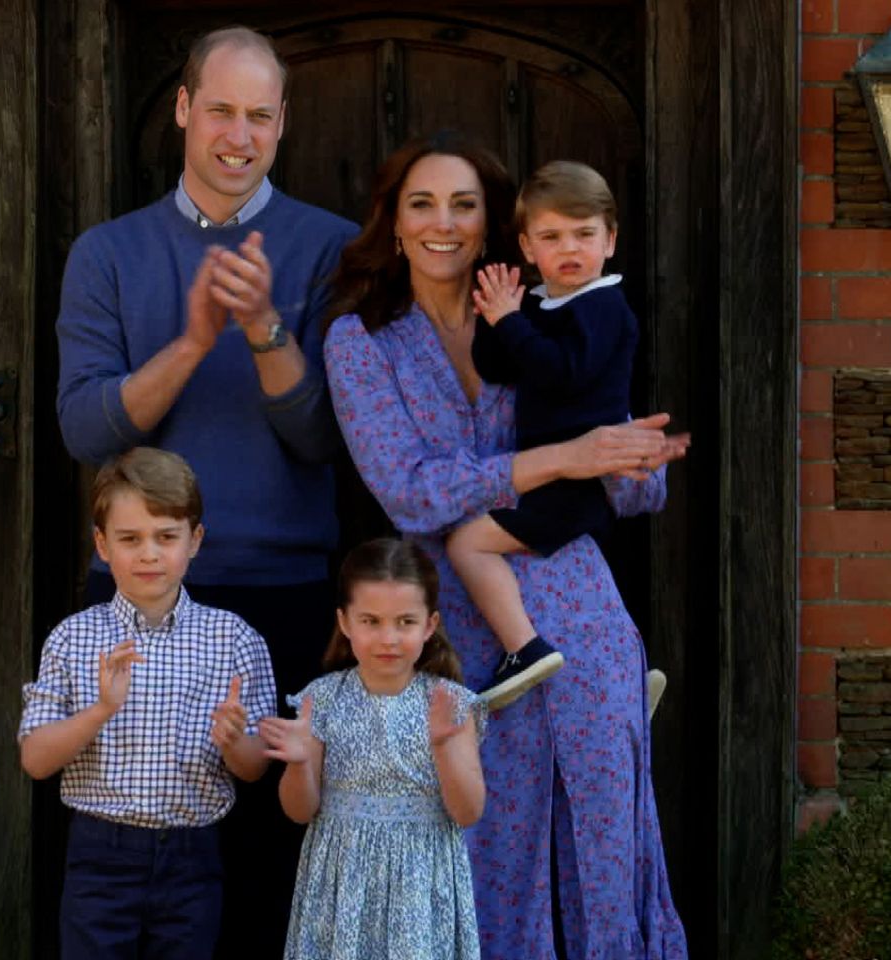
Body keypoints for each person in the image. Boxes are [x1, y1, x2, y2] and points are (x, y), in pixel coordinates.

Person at [324, 131, 690, 959]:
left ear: (493, 227)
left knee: (603, 844)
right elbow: (408, 490)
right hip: (454, 631)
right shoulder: (361, 341)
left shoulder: (552, 315)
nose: (443, 223)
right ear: (395, 221)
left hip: (581, 615)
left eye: (463, 205)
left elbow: (633, 488)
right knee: (477, 846)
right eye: (422, 204)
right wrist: (563, 458)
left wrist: (634, 461)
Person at [53, 26, 357, 956]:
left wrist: (264, 326)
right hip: (142, 600)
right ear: (183, 108)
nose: (239, 134)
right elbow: (87, 431)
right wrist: (190, 341)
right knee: (145, 864)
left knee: (271, 864)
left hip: (289, 596)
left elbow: (322, 440)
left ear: (282, 124)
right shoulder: (107, 253)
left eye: (259, 115)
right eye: (220, 109)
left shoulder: (331, 248)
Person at [17, 448, 276, 959]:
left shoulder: (234, 640)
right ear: (102, 545)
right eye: (130, 539)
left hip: (191, 855)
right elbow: (35, 759)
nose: (149, 554)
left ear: (194, 541)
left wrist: (233, 743)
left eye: (166, 537)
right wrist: (100, 711)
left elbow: (254, 771)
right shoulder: (74, 638)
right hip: (99, 853)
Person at [449, 160, 678, 709]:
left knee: (468, 542)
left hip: (578, 479)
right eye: (551, 237)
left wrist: (511, 321)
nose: (569, 249)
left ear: (611, 239)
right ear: (528, 248)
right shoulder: (541, 304)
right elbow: (498, 366)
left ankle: (523, 649)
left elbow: (561, 371)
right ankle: (621, 682)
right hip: (554, 472)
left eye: (584, 234)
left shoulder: (604, 308)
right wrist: (495, 314)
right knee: (580, 590)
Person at [259, 538, 487, 960]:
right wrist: (298, 764)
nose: (389, 638)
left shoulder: (451, 703)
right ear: (345, 622)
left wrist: (443, 747)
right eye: (371, 621)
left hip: (420, 882)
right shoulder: (321, 700)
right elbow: (300, 810)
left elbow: (468, 811)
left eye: (405, 622)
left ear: (430, 624)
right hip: (341, 882)